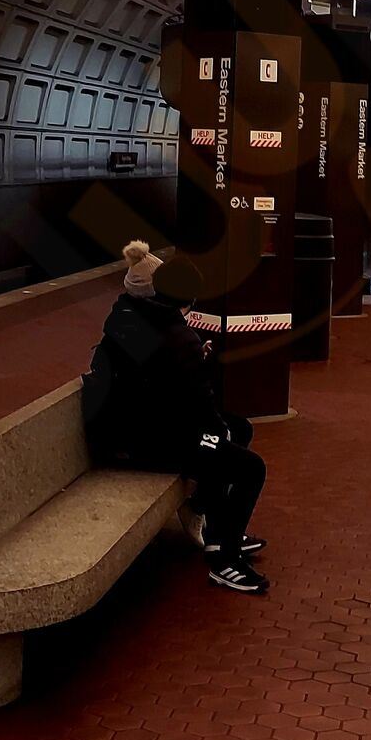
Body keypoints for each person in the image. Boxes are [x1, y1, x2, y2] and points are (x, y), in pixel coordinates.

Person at [82, 241, 269, 594]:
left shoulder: (127, 317)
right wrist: (216, 423)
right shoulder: (177, 337)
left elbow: (165, 390)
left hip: (130, 428)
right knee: (249, 466)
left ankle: (217, 533)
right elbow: (198, 404)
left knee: (235, 430)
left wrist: (196, 368)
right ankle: (225, 561)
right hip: (147, 442)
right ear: (190, 299)